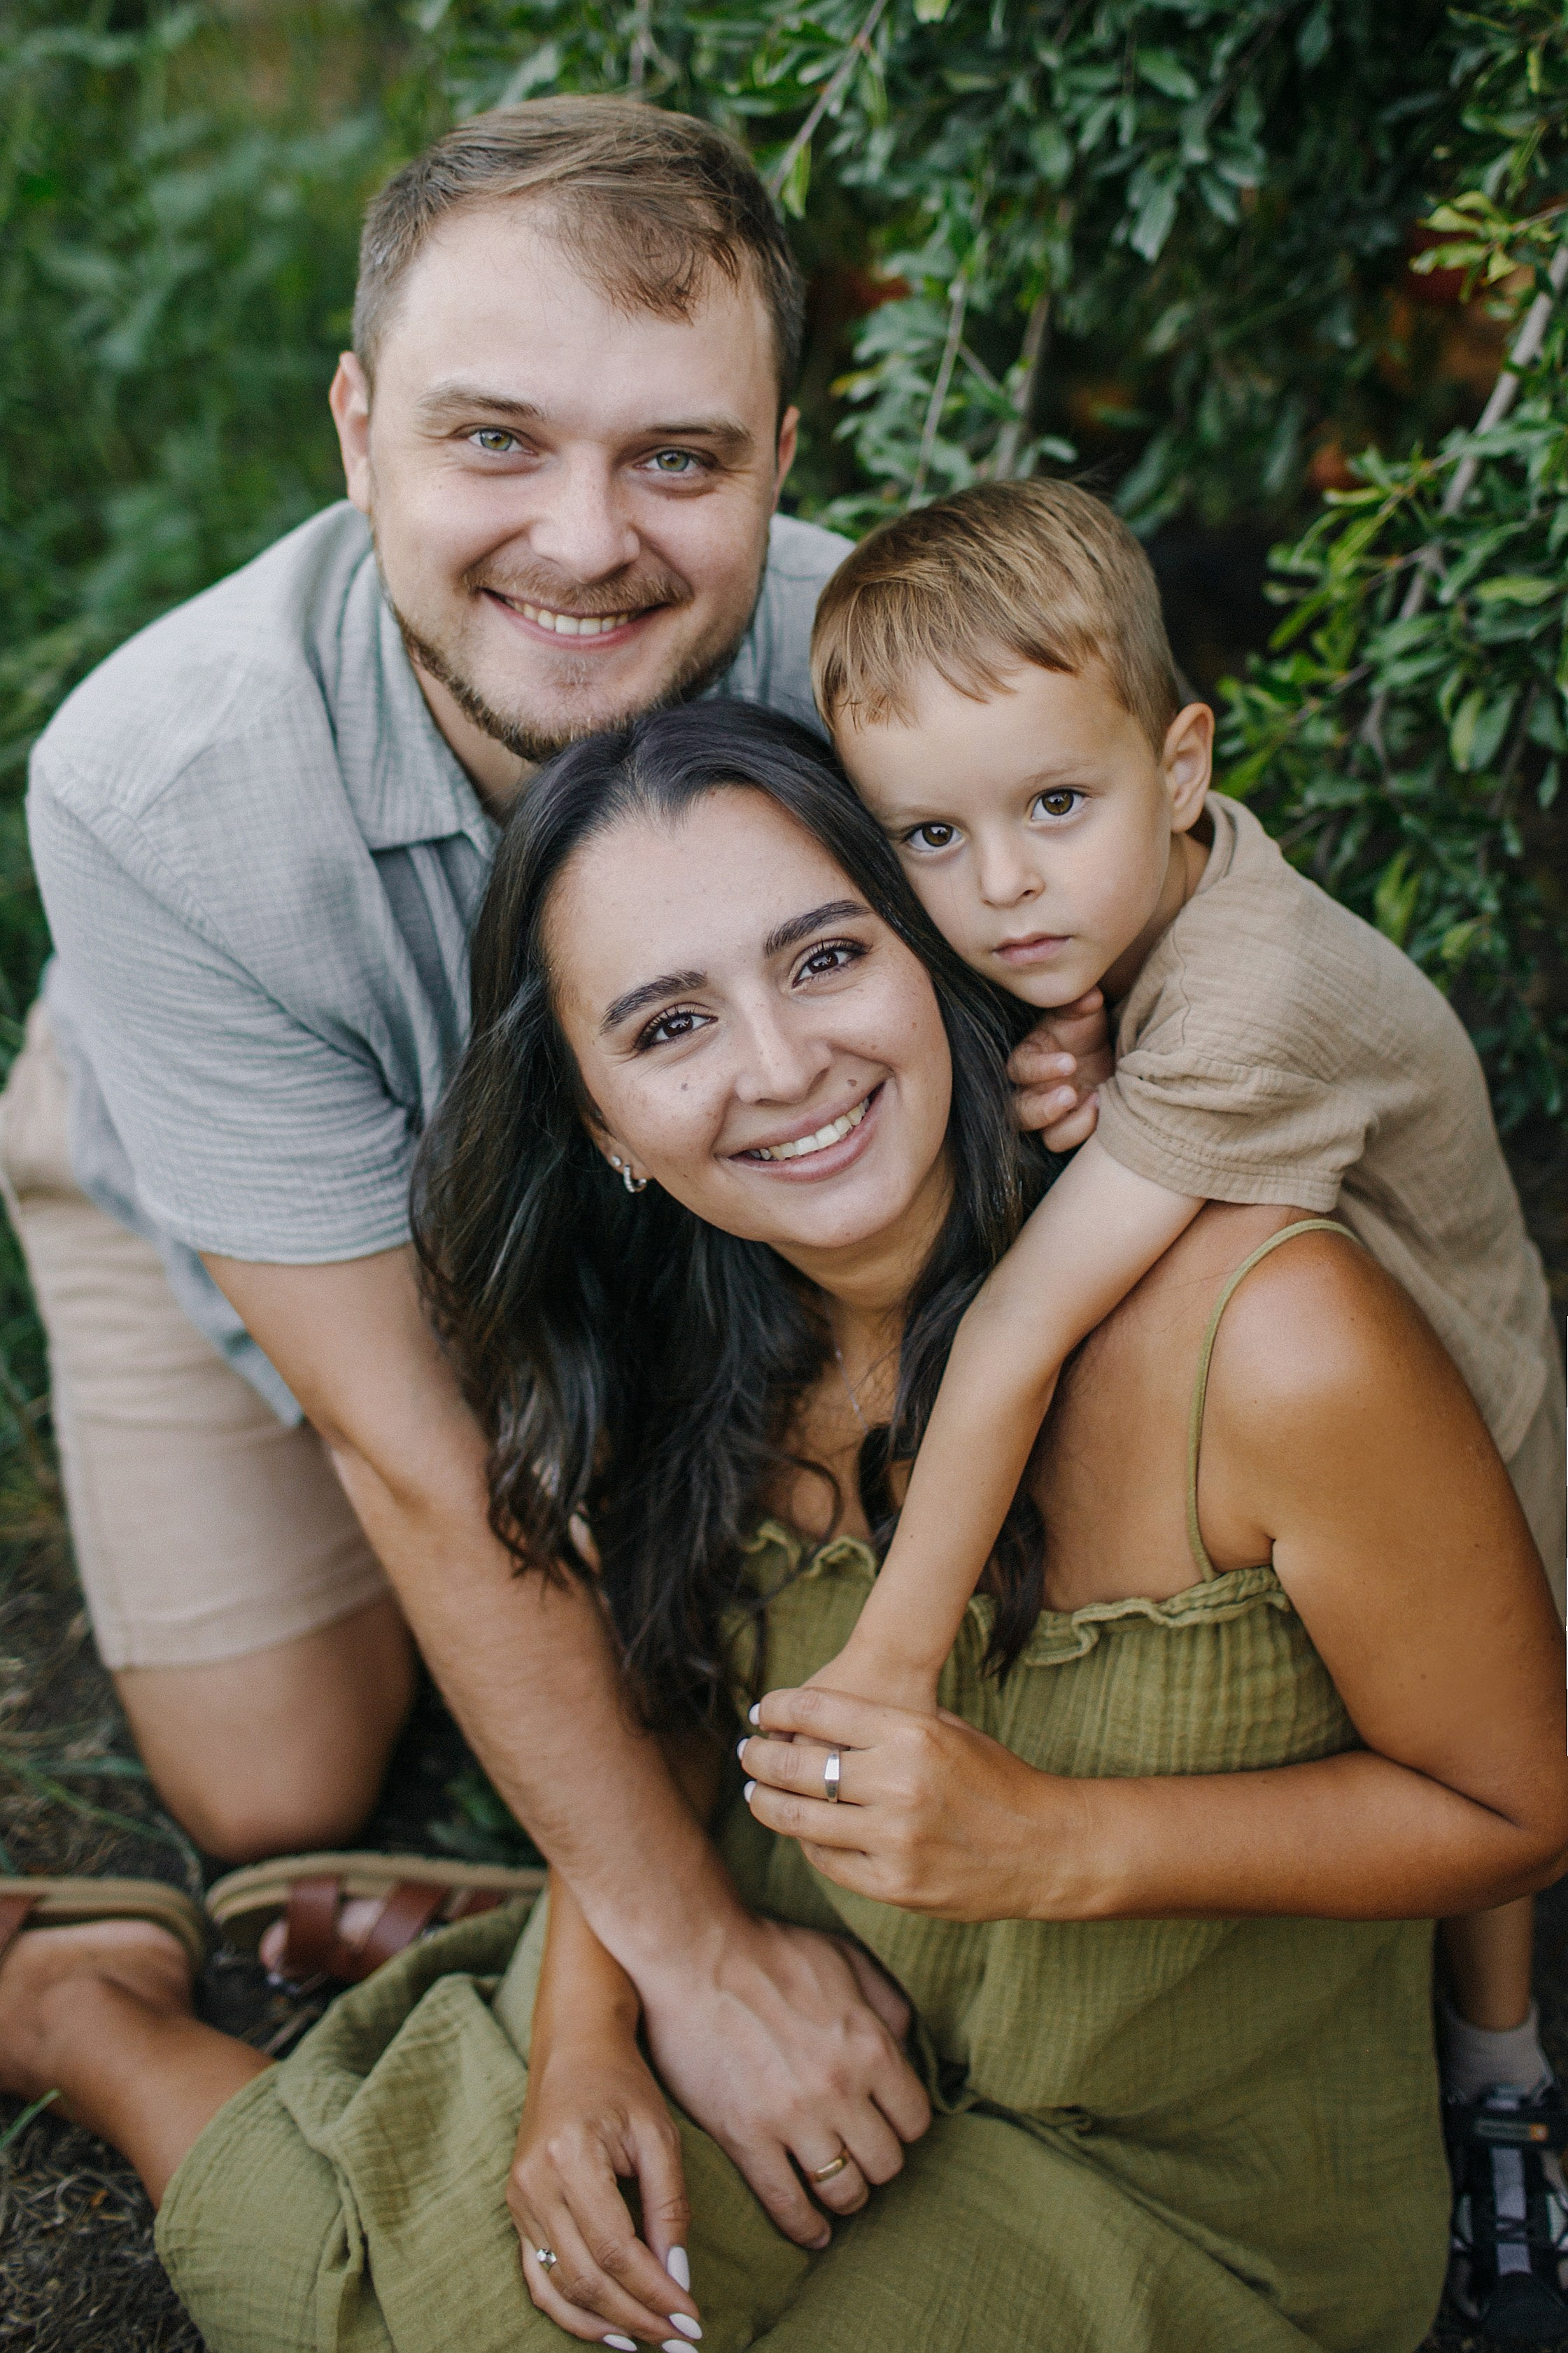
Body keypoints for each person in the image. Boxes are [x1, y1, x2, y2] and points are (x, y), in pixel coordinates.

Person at [3, 703, 1563, 2353]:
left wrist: (1052, 1841)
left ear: (941, 957)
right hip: (808, 1995)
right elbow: (665, 1711)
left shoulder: (1267, 1336)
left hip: (1168, 2170)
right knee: (423, 2316)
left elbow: (1513, 1807)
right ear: (601, 1121)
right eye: (668, 1026)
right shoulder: (683, 1343)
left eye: (823, 960)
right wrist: (592, 2036)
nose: (778, 1065)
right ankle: (95, 2014)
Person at [1, 99, 1096, 2232]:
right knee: (275, 1781)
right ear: (357, 429)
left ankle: (557, 1763)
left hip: (674, 1189)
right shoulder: (153, 783)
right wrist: (686, 1958)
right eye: (494, 440)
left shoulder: (891, 673)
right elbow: (416, 1446)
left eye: (676, 459)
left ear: (781, 454)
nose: (585, 542)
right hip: (251, 1189)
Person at [800, 479, 1568, 2336]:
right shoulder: (1159, 896)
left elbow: (1016, 1339)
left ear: (1180, 762)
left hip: (1464, 1390)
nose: (1003, 890)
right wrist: (1094, 1025)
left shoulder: (1256, 995)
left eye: (1055, 808)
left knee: (1488, 1793)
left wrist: (884, 1665)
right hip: (1316, 1362)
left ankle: (1500, 2083)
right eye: (933, 836)